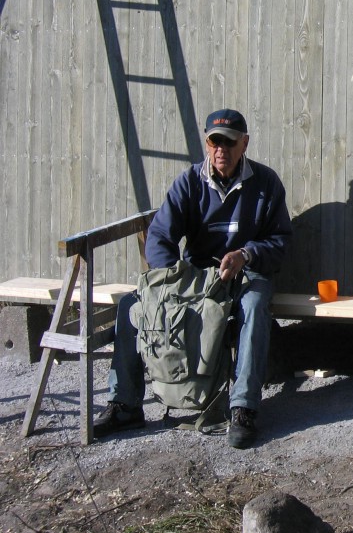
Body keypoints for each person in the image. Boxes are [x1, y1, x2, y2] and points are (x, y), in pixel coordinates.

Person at [94, 109, 293, 449]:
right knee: (132, 305)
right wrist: (174, 277)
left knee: (256, 304)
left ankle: (243, 407)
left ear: (244, 143)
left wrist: (245, 254)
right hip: (196, 277)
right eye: (215, 142)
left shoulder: (266, 183)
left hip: (244, 273)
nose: (222, 150)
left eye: (230, 143)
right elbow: (159, 237)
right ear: (207, 142)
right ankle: (125, 404)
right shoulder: (189, 182)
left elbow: (280, 241)